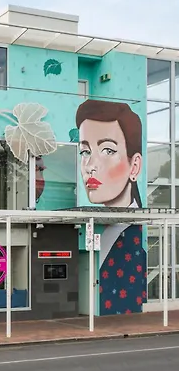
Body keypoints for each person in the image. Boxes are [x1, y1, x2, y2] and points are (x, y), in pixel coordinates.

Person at [76, 99, 146, 314]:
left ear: (135, 166)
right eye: (85, 152)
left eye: (107, 150)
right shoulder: (103, 228)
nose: (90, 166)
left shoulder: (134, 242)